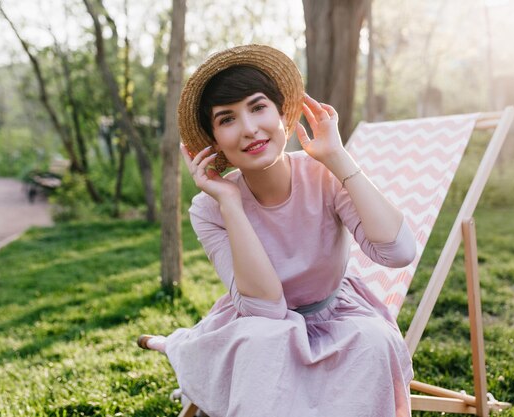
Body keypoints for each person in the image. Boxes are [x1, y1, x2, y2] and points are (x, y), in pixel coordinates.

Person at [139, 45, 417, 417]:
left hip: (338, 315)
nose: (250, 129)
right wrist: (230, 202)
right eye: (227, 119)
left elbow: (397, 253)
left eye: (257, 107)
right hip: (257, 323)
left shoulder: (323, 175)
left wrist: (337, 158)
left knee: (372, 341)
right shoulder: (209, 208)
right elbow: (265, 308)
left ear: (282, 114)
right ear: (214, 141)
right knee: (263, 342)